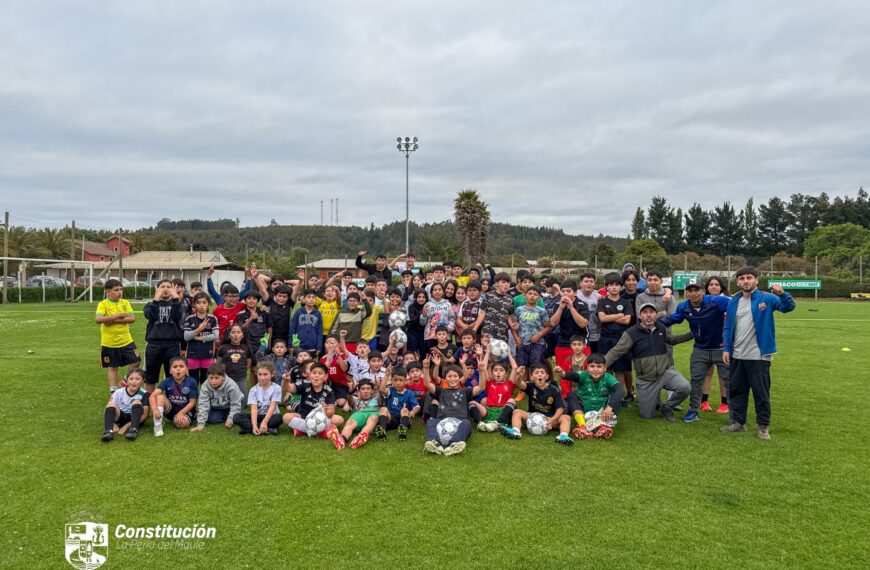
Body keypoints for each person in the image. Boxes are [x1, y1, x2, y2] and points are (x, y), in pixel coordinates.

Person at [721, 266, 795, 440]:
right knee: (737, 391)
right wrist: (726, 348)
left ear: (756, 280)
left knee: (761, 393)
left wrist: (782, 293)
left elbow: (788, 307)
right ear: (737, 282)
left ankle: (763, 427)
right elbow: (728, 326)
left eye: (749, 278)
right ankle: (738, 423)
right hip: (737, 355)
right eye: (742, 278)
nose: (745, 281)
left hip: (758, 356)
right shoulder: (734, 301)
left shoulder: (767, 298)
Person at [603, 303, 693, 422]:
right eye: (645, 312)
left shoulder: (661, 327)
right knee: (646, 414)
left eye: (652, 312)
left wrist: (691, 334)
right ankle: (653, 399)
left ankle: (667, 407)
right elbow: (617, 351)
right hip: (646, 379)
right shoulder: (631, 333)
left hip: (665, 373)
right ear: (640, 316)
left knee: (685, 387)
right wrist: (603, 365)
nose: (649, 315)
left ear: (656, 315)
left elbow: (672, 340)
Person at [659, 277, 731, 423]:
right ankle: (694, 410)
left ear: (703, 291)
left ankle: (734, 414)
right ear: (686, 293)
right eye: (690, 290)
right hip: (700, 349)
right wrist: (651, 322)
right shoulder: (684, 307)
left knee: (729, 380)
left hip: (721, 348)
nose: (694, 293)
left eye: (696, 290)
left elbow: (737, 308)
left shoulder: (717, 301)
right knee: (696, 381)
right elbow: (672, 319)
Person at [555, 354, 625, 440]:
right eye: (592, 366)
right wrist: (562, 373)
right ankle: (582, 427)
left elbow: (620, 390)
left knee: (616, 396)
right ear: (587, 368)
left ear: (604, 368)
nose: (595, 369)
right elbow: (572, 375)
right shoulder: (584, 375)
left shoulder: (608, 377)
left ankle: (602, 427)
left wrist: (609, 408)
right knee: (571, 395)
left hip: (603, 411)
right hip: (584, 409)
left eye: (599, 366)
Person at [500, 364, 573, 445]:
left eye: (542, 372)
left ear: (547, 376)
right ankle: (515, 431)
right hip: (532, 417)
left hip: (549, 420)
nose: (540, 374)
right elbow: (519, 383)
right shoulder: (530, 386)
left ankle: (563, 436)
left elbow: (560, 410)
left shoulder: (554, 390)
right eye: (537, 372)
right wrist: (519, 375)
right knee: (517, 412)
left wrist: (551, 420)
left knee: (566, 417)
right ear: (532, 377)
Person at [421, 362, 484, 456]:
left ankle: (454, 444)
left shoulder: (465, 391)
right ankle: (434, 442)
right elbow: (427, 384)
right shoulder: (441, 391)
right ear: (445, 378)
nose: (452, 379)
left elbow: (481, 387)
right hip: (442, 421)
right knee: (431, 421)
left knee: (467, 423)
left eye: (455, 376)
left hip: (459, 421)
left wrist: (482, 371)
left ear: (459, 377)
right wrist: (425, 368)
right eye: (449, 376)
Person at [282, 362, 346, 449]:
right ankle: (322, 432)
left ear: (325, 377)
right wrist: (285, 381)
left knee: (339, 419)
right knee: (286, 417)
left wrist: (327, 410)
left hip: (321, 419)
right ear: (310, 375)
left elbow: (331, 412)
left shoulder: (329, 391)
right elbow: (288, 388)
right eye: (314, 373)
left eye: (320, 373)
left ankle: (302, 431)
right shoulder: (304, 384)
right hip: (303, 416)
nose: (316, 376)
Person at [95, 279, 140, 393]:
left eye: (121, 289)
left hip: (126, 340)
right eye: (116, 290)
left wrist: (112, 320)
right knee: (113, 367)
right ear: (108, 292)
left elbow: (132, 318)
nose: (119, 292)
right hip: (109, 342)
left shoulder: (125, 302)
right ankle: (113, 391)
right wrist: (118, 316)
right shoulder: (103, 304)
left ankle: (125, 380)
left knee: (136, 360)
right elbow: (99, 319)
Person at [597, 273, 633, 401]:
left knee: (620, 370)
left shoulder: (626, 302)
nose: (614, 287)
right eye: (611, 285)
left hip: (622, 340)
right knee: (606, 368)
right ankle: (607, 396)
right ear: (606, 287)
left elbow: (627, 321)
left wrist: (610, 317)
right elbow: (602, 318)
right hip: (605, 339)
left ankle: (619, 397)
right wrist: (619, 315)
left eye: (617, 285)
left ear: (621, 287)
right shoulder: (602, 302)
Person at [142, 280, 183, 389]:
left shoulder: (177, 304)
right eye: (162, 286)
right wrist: (156, 299)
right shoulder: (149, 305)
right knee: (150, 377)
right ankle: (149, 404)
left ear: (173, 289)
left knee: (173, 376)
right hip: (154, 345)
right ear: (157, 288)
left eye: (168, 287)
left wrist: (175, 299)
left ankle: (172, 403)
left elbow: (177, 316)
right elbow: (152, 316)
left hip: (172, 345)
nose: (165, 289)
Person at [149, 356, 198, 437]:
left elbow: (192, 402)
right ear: (170, 370)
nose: (178, 369)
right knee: (159, 397)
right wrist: (154, 409)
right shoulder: (167, 381)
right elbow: (152, 395)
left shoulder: (192, 382)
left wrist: (181, 413)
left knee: (181, 424)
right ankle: (158, 427)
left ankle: (177, 419)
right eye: (175, 367)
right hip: (171, 409)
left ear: (186, 369)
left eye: (181, 366)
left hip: (185, 410)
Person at [702, 276, 730, 413]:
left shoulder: (728, 301)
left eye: (717, 284)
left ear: (721, 287)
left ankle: (725, 403)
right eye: (711, 284)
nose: (714, 286)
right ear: (707, 287)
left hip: (723, 344)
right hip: (706, 343)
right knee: (707, 372)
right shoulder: (702, 301)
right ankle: (704, 401)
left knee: (723, 374)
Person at [549, 279, 590, 373]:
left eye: (568, 291)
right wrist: (560, 308)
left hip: (580, 342)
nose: (565, 294)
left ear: (575, 293)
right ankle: (565, 388)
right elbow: (553, 323)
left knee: (582, 372)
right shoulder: (558, 305)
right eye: (563, 291)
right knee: (563, 371)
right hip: (563, 341)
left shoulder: (582, 305)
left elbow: (583, 323)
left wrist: (571, 307)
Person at [192, 361, 244, 431]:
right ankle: (226, 415)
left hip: (235, 404)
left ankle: (230, 415)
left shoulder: (231, 385)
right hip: (218, 407)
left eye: (217, 378)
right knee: (212, 419)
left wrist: (230, 420)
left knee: (235, 418)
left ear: (223, 376)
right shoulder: (205, 386)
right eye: (211, 378)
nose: (213, 381)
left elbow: (235, 404)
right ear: (207, 376)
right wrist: (200, 424)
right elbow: (203, 404)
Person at [233, 361, 283, 435]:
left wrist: (265, 422)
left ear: (272, 374)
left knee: (280, 417)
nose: (262, 377)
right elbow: (254, 409)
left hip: (271, 415)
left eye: (265, 374)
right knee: (237, 417)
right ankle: (263, 429)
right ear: (256, 374)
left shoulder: (277, 388)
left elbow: (272, 407)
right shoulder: (253, 390)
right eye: (260, 374)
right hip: (257, 416)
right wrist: (254, 425)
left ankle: (249, 429)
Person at [101, 368, 148, 442]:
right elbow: (108, 409)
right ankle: (108, 431)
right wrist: (114, 425)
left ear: (142, 381)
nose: (134, 382)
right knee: (111, 403)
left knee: (136, 402)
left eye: (137, 379)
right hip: (121, 417)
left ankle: (133, 430)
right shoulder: (118, 392)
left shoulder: (145, 394)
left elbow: (145, 415)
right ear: (127, 380)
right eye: (131, 379)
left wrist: (126, 427)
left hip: (135, 418)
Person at [182, 292, 219, 385]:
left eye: (204, 302)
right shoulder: (189, 319)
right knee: (193, 383)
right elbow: (186, 337)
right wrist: (199, 329)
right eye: (198, 302)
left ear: (208, 304)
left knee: (206, 383)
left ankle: (205, 400)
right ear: (194, 304)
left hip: (207, 355)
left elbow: (215, 336)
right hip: (192, 355)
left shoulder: (213, 319)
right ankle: (194, 399)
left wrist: (198, 338)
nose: (201, 305)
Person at [375, 366, 421, 441]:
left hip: (403, 418)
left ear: (405, 381)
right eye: (395, 380)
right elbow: (382, 389)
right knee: (383, 409)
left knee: (404, 410)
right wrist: (387, 375)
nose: (398, 382)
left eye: (401, 380)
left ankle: (403, 430)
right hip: (391, 419)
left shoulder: (409, 393)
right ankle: (382, 430)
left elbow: (417, 406)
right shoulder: (391, 390)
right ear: (392, 381)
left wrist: (413, 412)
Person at [510, 286, 552, 367]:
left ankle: (534, 380)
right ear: (525, 296)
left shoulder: (542, 311)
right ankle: (524, 380)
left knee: (536, 366)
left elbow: (548, 326)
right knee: (522, 367)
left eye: (535, 294)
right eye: (530, 293)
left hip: (537, 343)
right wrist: (516, 338)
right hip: (521, 343)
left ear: (539, 298)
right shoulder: (519, 310)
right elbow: (513, 326)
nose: (532, 296)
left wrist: (539, 335)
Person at [340, 379, 381, 449]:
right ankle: (342, 439)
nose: (366, 391)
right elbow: (350, 401)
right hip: (359, 415)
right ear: (359, 391)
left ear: (372, 391)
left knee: (373, 419)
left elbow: (381, 396)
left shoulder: (376, 398)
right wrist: (350, 392)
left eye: (368, 389)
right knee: (350, 423)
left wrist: (377, 387)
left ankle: (360, 437)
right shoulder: (356, 401)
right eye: (363, 389)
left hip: (372, 412)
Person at [215, 324, 252, 399]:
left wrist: (243, 370)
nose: (236, 335)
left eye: (238, 332)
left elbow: (249, 361)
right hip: (227, 378)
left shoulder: (246, 348)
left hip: (241, 378)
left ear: (242, 335)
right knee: (226, 400)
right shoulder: (222, 348)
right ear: (229, 335)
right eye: (233, 332)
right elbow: (218, 363)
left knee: (244, 402)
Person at [480, 272, 513, 343]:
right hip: (488, 332)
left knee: (502, 353)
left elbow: (509, 316)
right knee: (487, 353)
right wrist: (474, 329)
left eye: (508, 282)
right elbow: (482, 313)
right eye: (503, 282)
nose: (506, 284)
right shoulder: (489, 295)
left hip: (503, 334)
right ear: (496, 283)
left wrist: (512, 325)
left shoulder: (510, 298)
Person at [290, 289, 324, 354]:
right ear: (304, 299)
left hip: (312, 346)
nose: (311, 299)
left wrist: (319, 346)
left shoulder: (318, 314)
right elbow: (292, 329)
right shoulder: (298, 312)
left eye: (313, 297)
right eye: (309, 297)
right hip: (298, 345)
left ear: (316, 299)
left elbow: (319, 331)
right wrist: (290, 344)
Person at [576, 272, 602, 353]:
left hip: (594, 335)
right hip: (578, 333)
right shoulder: (575, 295)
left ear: (594, 283)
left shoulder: (599, 297)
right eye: (586, 281)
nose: (589, 284)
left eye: (591, 281)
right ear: (581, 283)